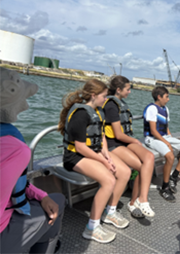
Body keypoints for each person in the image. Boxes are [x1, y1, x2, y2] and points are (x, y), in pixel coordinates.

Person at [0, 67, 65, 254]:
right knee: (58, 201)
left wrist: (40, 195)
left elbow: (8, 181)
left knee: (49, 198)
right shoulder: (15, 149)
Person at [59, 79, 132, 243]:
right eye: (104, 96)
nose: (106, 99)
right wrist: (105, 162)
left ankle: (110, 212)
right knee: (108, 180)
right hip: (75, 157)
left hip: (94, 152)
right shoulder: (81, 114)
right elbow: (80, 148)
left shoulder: (98, 111)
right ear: (93, 95)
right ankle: (91, 228)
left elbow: (102, 136)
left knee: (125, 172)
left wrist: (106, 154)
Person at [103, 75, 155, 218]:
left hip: (126, 141)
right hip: (114, 143)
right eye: (128, 89)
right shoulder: (111, 105)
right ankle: (136, 201)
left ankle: (139, 200)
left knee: (149, 157)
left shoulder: (121, 103)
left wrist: (132, 141)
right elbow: (118, 135)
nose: (129, 92)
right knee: (140, 167)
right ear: (118, 90)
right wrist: (135, 141)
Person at [143, 86, 180, 202]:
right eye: (167, 96)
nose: (168, 99)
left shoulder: (165, 109)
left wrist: (170, 139)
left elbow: (166, 127)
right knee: (170, 156)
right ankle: (165, 187)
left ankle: (174, 176)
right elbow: (153, 131)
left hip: (164, 137)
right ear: (159, 97)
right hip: (152, 138)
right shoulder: (152, 108)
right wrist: (167, 143)